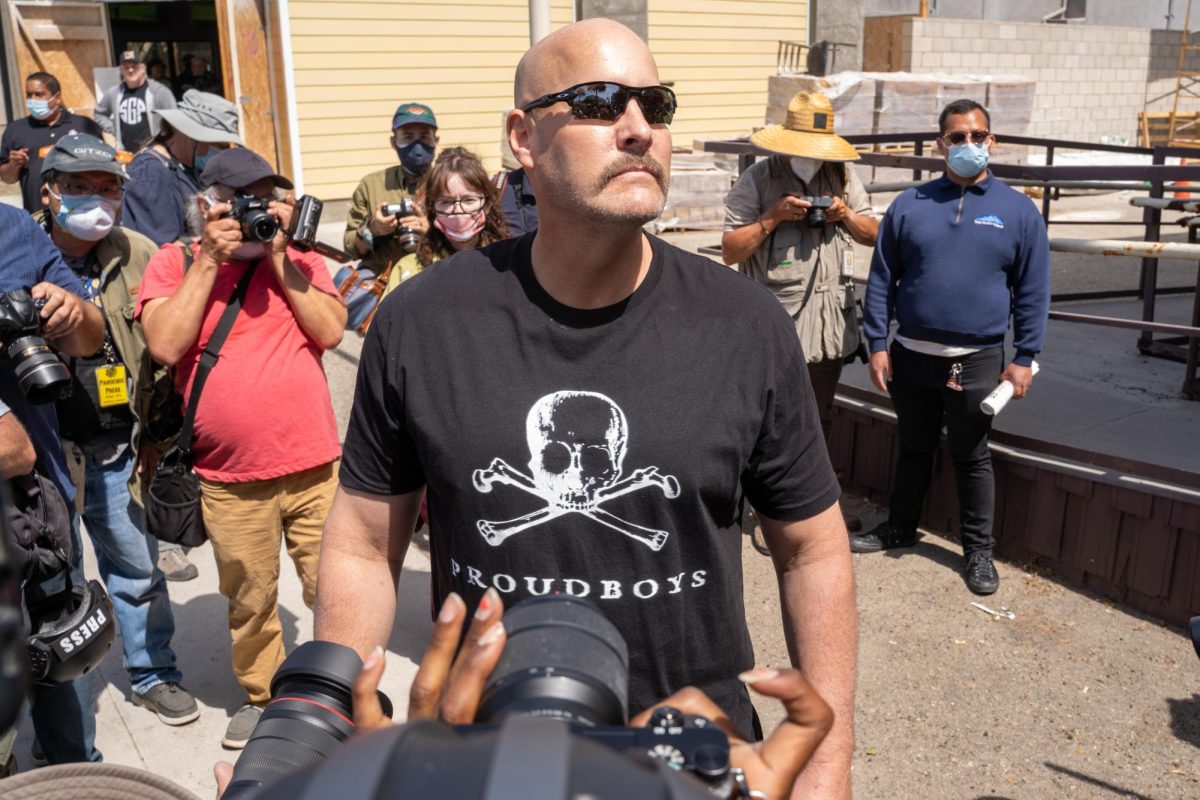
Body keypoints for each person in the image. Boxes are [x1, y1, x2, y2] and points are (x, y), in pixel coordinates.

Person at [316, 19, 856, 800]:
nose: (639, 129)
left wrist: (827, 761)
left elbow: (815, 552)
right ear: (521, 137)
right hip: (483, 762)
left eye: (656, 104)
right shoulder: (423, 323)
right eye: (601, 102)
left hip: (696, 759)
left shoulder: (744, 326)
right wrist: (328, 725)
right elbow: (364, 546)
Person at [136, 147, 347, 749]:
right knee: (252, 600)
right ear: (209, 205)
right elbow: (166, 347)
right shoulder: (175, 263)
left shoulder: (299, 257)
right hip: (229, 479)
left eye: (268, 196)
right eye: (243, 198)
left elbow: (331, 330)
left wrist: (281, 258)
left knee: (332, 586)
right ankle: (267, 697)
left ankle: (341, 686)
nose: (260, 209)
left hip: (314, 469)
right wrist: (210, 259)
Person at [34, 134, 199, 725]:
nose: (97, 199)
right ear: (50, 193)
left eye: (109, 188)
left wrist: (159, 435)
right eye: (80, 188)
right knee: (57, 580)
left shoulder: (138, 251)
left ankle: (153, 671)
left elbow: (164, 352)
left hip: (115, 448)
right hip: (43, 458)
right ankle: (63, 701)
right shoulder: (21, 250)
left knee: (137, 569)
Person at [855, 98, 1051, 596]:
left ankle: (978, 554)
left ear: (993, 141)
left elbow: (1032, 290)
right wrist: (877, 342)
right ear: (941, 143)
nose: (969, 145)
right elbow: (882, 279)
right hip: (911, 355)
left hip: (979, 359)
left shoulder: (1018, 211)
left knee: (971, 455)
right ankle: (900, 528)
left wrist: (1025, 356)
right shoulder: (910, 205)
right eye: (958, 137)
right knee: (914, 447)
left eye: (978, 136)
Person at [722, 91, 878, 533]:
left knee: (820, 419)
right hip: (776, 326)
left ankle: (814, 511)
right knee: (764, 421)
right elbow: (730, 250)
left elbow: (872, 233)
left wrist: (845, 215)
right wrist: (772, 218)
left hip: (830, 324)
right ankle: (759, 507)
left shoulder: (843, 176)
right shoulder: (759, 178)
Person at [0, 202, 105, 764]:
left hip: (42, 503)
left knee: (64, 660)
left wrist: (72, 315)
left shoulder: (12, 228)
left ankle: (73, 771)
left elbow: (90, 336)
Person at [121, 90, 242, 249]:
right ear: (192, 137)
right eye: (219, 144)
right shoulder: (151, 171)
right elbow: (162, 248)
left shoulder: (186, 166)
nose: (222, 151)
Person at [383, 147, 510, 295]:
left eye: (469, 200)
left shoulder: (506, 263)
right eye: (446, 202)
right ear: (432, 207)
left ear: (487, 204)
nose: (458, 211)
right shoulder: (409, 270)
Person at [344, 103, 438, 276]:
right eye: (408, 137)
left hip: (432, 275)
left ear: (436, 141)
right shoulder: (370, 185)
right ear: (394, 142)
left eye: (424, 137)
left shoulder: (447, 184)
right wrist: (372, 229)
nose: (417, 145)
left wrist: (430, 232)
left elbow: (469, 242)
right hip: (383, 279)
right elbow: (350, 247)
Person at [0, 72, 103, 213]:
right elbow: (8, 179)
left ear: (58, 97)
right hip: (37, 216)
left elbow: (102, 168)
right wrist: (13, 165)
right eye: (29, 95)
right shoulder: (16, 130)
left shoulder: (83, 126)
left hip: (80, 212)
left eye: (39, 94)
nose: (32, 99)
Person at [94, 50, 177, 152]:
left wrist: (165, 143)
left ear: (143, 68)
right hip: (125, 155)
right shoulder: (114, 93)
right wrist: (113, 128)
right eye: (126, 67)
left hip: (154, 153)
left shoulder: (159, 91)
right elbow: (99, 113)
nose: (130, 70)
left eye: (135, 66)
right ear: (121, 69)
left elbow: (175, 121)